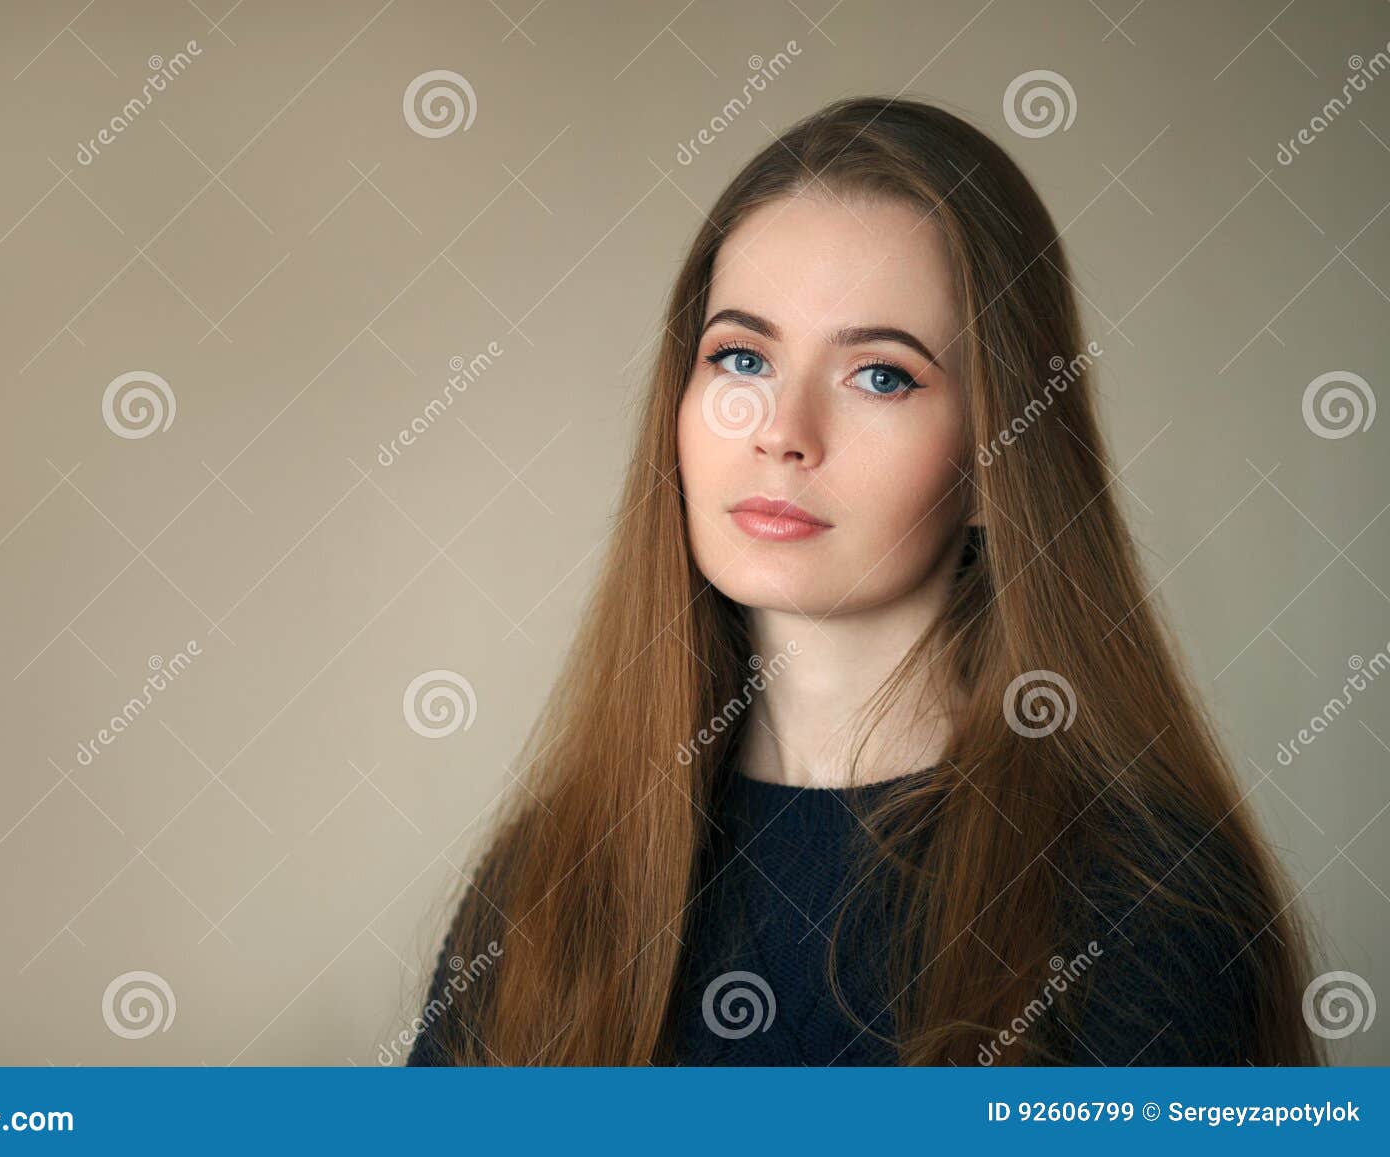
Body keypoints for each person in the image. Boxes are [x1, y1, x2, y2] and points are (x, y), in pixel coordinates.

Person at [404, 95, 1320, 1066]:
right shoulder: (548, 878)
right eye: (742, 356)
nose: (782, 429)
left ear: (995, 455)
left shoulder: (1146, 901)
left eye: (880, 374)